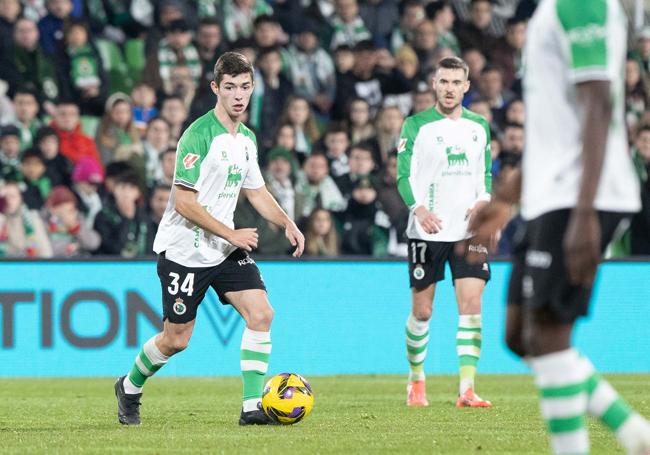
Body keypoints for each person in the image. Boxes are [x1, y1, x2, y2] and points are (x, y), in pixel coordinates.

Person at [466, 1, 650, 453]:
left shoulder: (580, 3)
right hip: (552, 194)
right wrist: (508, 197)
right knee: (518, 335)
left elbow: (597, 103)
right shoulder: (551, 9)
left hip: (581, 196)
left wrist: (585, 212)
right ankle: (638, 436)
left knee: (548, 335)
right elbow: (558, 127)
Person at [114, 52, 305, 427]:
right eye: (230, 87)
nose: (239, 95)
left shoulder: (246, 139)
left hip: (223, 250)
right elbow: (184, 202)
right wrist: (231, 232)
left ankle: (252, 407)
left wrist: (286, 222)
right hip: (185, 251)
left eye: (245, 87)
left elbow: (257, 190)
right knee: (176, 339)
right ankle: (130, 386)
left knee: (262, 313)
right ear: (215, 88)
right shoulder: (198, 136)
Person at [397, 57, 492, 408]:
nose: (450, 88)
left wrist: (484, 200)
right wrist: (419, 208)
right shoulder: (416, 126)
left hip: (469, 231)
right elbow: (402, 175)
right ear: (434, 85)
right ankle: (416, 378)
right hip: (427, 230)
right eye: (444, 82)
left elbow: (486, 174)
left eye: (456, 82)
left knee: (472, 305)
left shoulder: (479, 126)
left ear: (466, 86)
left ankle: (467, 389)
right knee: (423, 312)